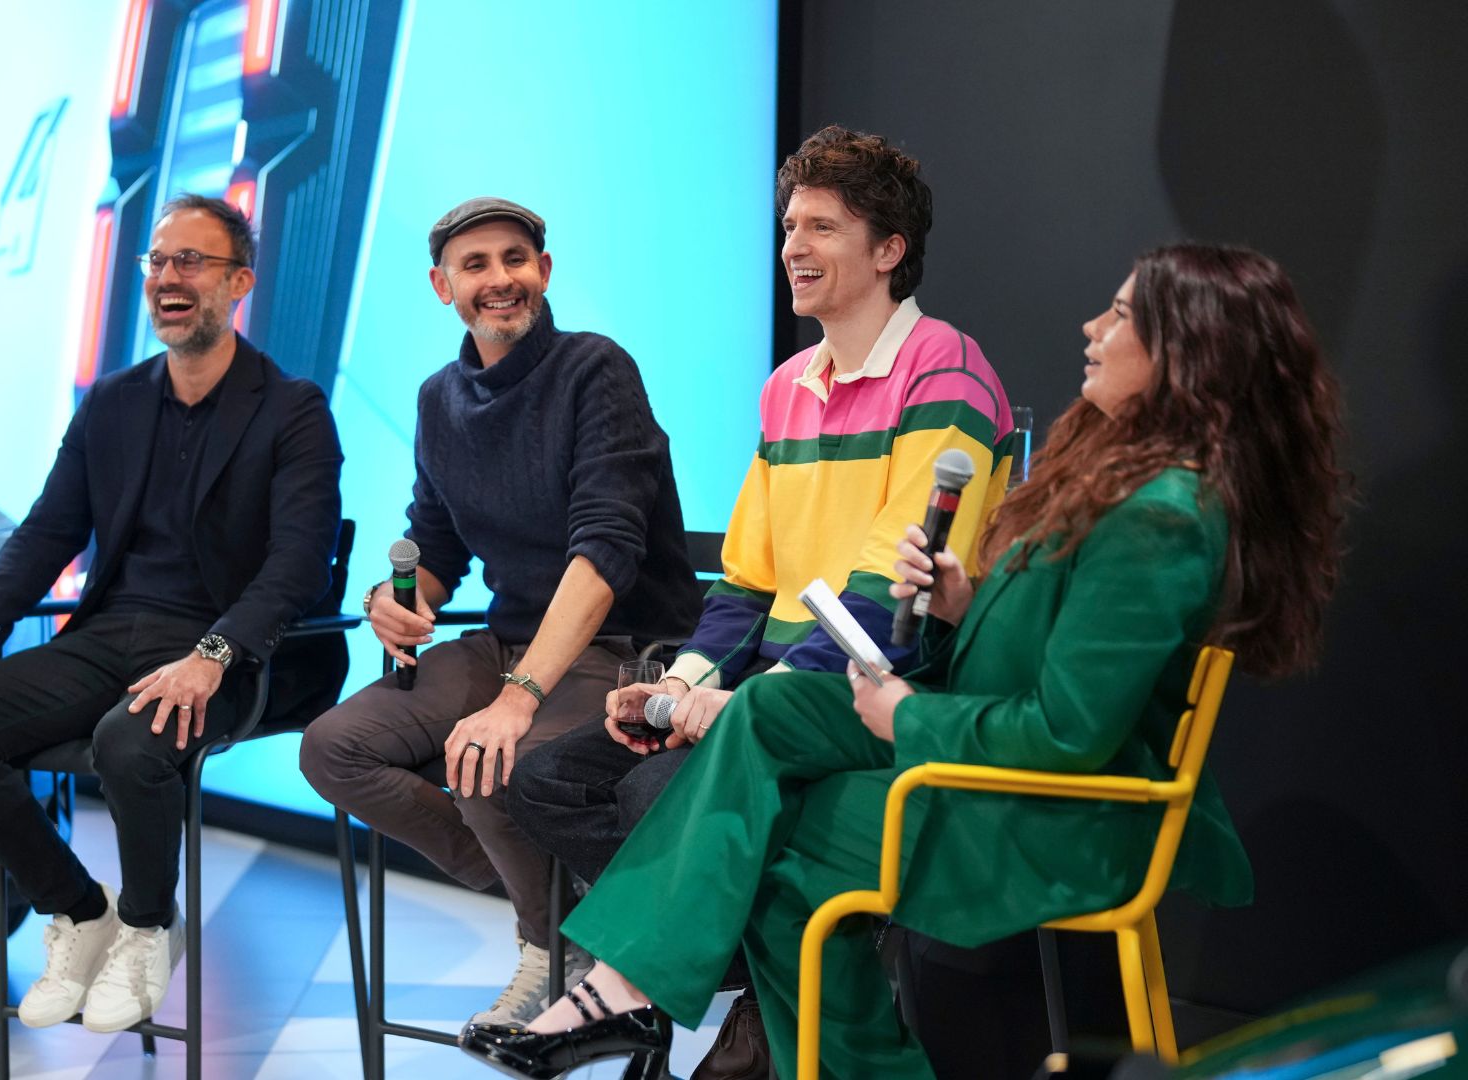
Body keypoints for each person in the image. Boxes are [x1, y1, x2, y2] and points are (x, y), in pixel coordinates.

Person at [460, 242, 1348, 1079]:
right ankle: (635, 986)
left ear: (1183, 353)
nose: (1092, 331)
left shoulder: (1162, 517)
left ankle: (630, 987)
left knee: (761, 848)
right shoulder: (1120, 481)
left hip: (1058, 816)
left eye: (1119, 318)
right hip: (989, 771)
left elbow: (1070, 734)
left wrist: (908, 716)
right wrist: (959, 604)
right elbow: (1040, 648)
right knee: (768, 721)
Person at [504, 124, 1009, 1079]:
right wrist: (683, 684)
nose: (793, 249)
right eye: (788, 227)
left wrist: (743, 702)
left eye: (821, 226)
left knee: (656, 790)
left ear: (889, 250)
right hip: (761, 694)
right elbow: (745, 581)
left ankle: (656, 990)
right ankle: (743, 986)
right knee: (550, 779)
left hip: (868, 693)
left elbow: (891, 603)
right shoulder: (786, 389)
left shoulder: (944, 372)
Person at [0, 194, 344, 1033]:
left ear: (239, 282)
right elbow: (48, 530)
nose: (168, 279)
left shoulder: (292, 409)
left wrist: (215, 651)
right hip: (110, 634)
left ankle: (147, 927)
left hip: (228, 652)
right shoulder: (113, 400)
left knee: (128, 739)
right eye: (158, 262)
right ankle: (76, 910)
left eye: (193, 262)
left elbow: (299, 565)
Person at [299, 196, 704, 1027]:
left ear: (544, 274)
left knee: (491, 759)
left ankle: (548, 951)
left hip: (623, 644)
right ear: (441, 285)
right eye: (476, 265)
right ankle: (557, 909)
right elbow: (434, 544)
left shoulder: (597, 369)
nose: (500, 280)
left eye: (516, 260)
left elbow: (605, 555)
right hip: (510, 636)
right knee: (333, 748)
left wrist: (516, 698)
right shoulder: (437, 399)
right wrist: (397, 602)